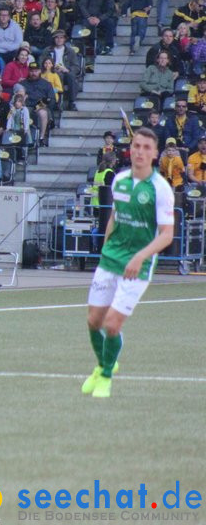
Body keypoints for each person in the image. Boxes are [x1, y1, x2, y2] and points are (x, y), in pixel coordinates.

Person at [82, 128, 174, 399]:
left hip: (138, 265)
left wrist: (140, 256)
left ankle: (106, 376)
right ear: (130, 149)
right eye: (136, 146)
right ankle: (104, 364)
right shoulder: (119, 179)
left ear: (155, 153)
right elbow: (114, 216)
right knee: (93, 321)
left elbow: (167, 234)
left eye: (147, 147)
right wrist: (106, 245)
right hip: (110, 259)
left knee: (112, 324)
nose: (140, 151)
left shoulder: (160, 189)